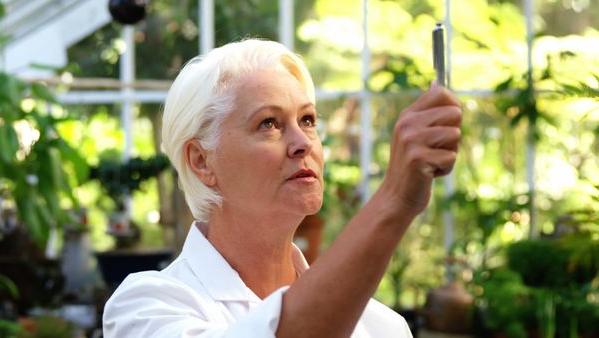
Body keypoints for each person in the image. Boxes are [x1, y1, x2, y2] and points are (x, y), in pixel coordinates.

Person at [103, 38, 462, 337]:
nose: (302, 142)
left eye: (307, 120)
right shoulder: (148, 308)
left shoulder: (382, 327)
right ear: (202, 161)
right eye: (269, 123)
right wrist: (394, 200)